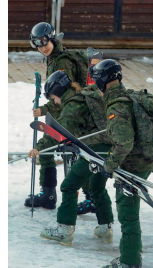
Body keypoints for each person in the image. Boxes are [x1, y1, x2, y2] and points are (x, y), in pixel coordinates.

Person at [89, 59, 153, 268]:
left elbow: (124, 143)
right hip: (145, 160)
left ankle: (129, 264)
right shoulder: (128, 95)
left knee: (127, 212)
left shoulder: (116, 105)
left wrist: (109, 165)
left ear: (102, 82)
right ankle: (133, 251)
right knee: (131, 210)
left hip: (133, 165)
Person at [28, 70, 114, 246]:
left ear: (58, 92)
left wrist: (39, 148)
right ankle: (106, 229)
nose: (54, 101)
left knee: (68, 186)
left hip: (94, 149)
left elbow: (58, 131)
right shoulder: (84, 97)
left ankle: (64, 230)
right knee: (97, 187)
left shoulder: (73, 104)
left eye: (53, 97)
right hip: (109, 147)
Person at [24, 22, 94, 212]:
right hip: (60, 113)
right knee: (52, 152)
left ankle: (89, 197)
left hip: (69, 115)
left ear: (53, 39)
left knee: (75, 157)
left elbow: (65, 94)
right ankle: (49, 194)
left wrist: (48, 110)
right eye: (39, 45)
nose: (43, 48)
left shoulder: (62, 61)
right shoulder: (53, 58)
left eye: (45, 43)